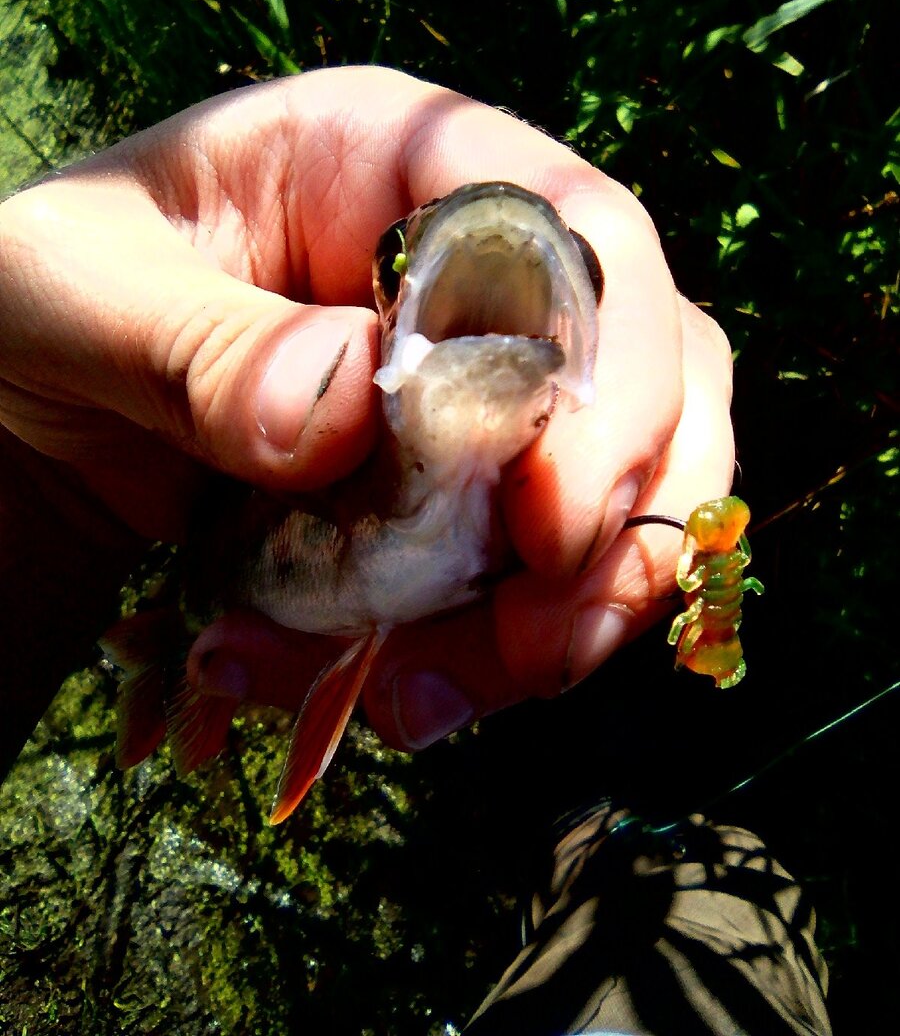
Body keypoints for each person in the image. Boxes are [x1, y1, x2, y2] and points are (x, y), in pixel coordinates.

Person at [0, 67, 830, 1033]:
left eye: (588, 276)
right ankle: (591, 821)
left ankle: (582, 823)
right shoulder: (344, 430)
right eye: (398, 256)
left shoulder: (527, 490)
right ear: (390, 307)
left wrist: (52, 490)